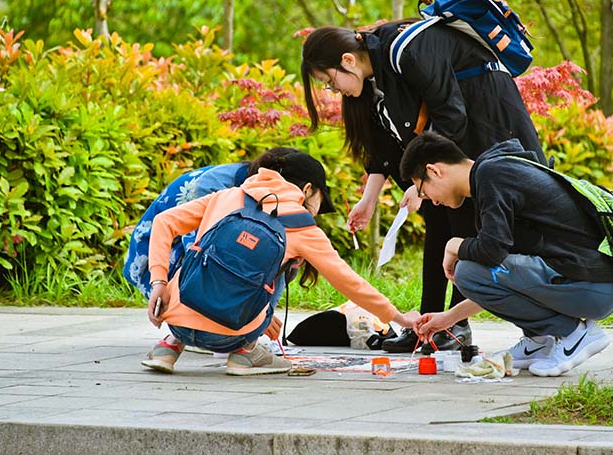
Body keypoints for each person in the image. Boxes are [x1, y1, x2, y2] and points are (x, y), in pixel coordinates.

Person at [300, 24, 546, 354]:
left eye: (331, 82)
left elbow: (451, 114)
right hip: (450, 140)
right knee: (437, 223)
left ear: (348, 60)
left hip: (486, 119)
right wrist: (370, 198)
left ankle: (456, 325)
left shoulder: (405, 54)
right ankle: (429, 323)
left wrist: (422, 182)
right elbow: (384, 148)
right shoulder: (375, 81)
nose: (334, 90)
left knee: (463, 220)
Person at [142, 148, 420, 375]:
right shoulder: (301, 226)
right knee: (286, 263)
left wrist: (158, 281)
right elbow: (349, 282)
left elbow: (164, 221)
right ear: (308, 189)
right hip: (231, 335)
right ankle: (245, 353)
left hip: (175, 319)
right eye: (319, 201)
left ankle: (168, 348)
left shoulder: (227, 196)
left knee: (199, 251)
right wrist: (398, 317)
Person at [401, 132, 613, 376]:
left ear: (434, 171)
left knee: (466, 270)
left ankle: (575, 334)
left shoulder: (491, 176)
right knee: (472, 271)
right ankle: (539, 340)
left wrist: (453, 244)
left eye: (423, 191)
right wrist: (449, 318)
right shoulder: (496, 173)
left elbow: (490, 254)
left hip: (591, 284)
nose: (432, 201)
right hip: (593, 285)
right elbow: (503, 279)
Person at [124, 148, 298, 298]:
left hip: (181, 251)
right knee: (219, 259)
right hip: (153, 258)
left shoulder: (255, 189)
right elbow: (199, 256)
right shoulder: (214, 185)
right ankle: (186, 325)